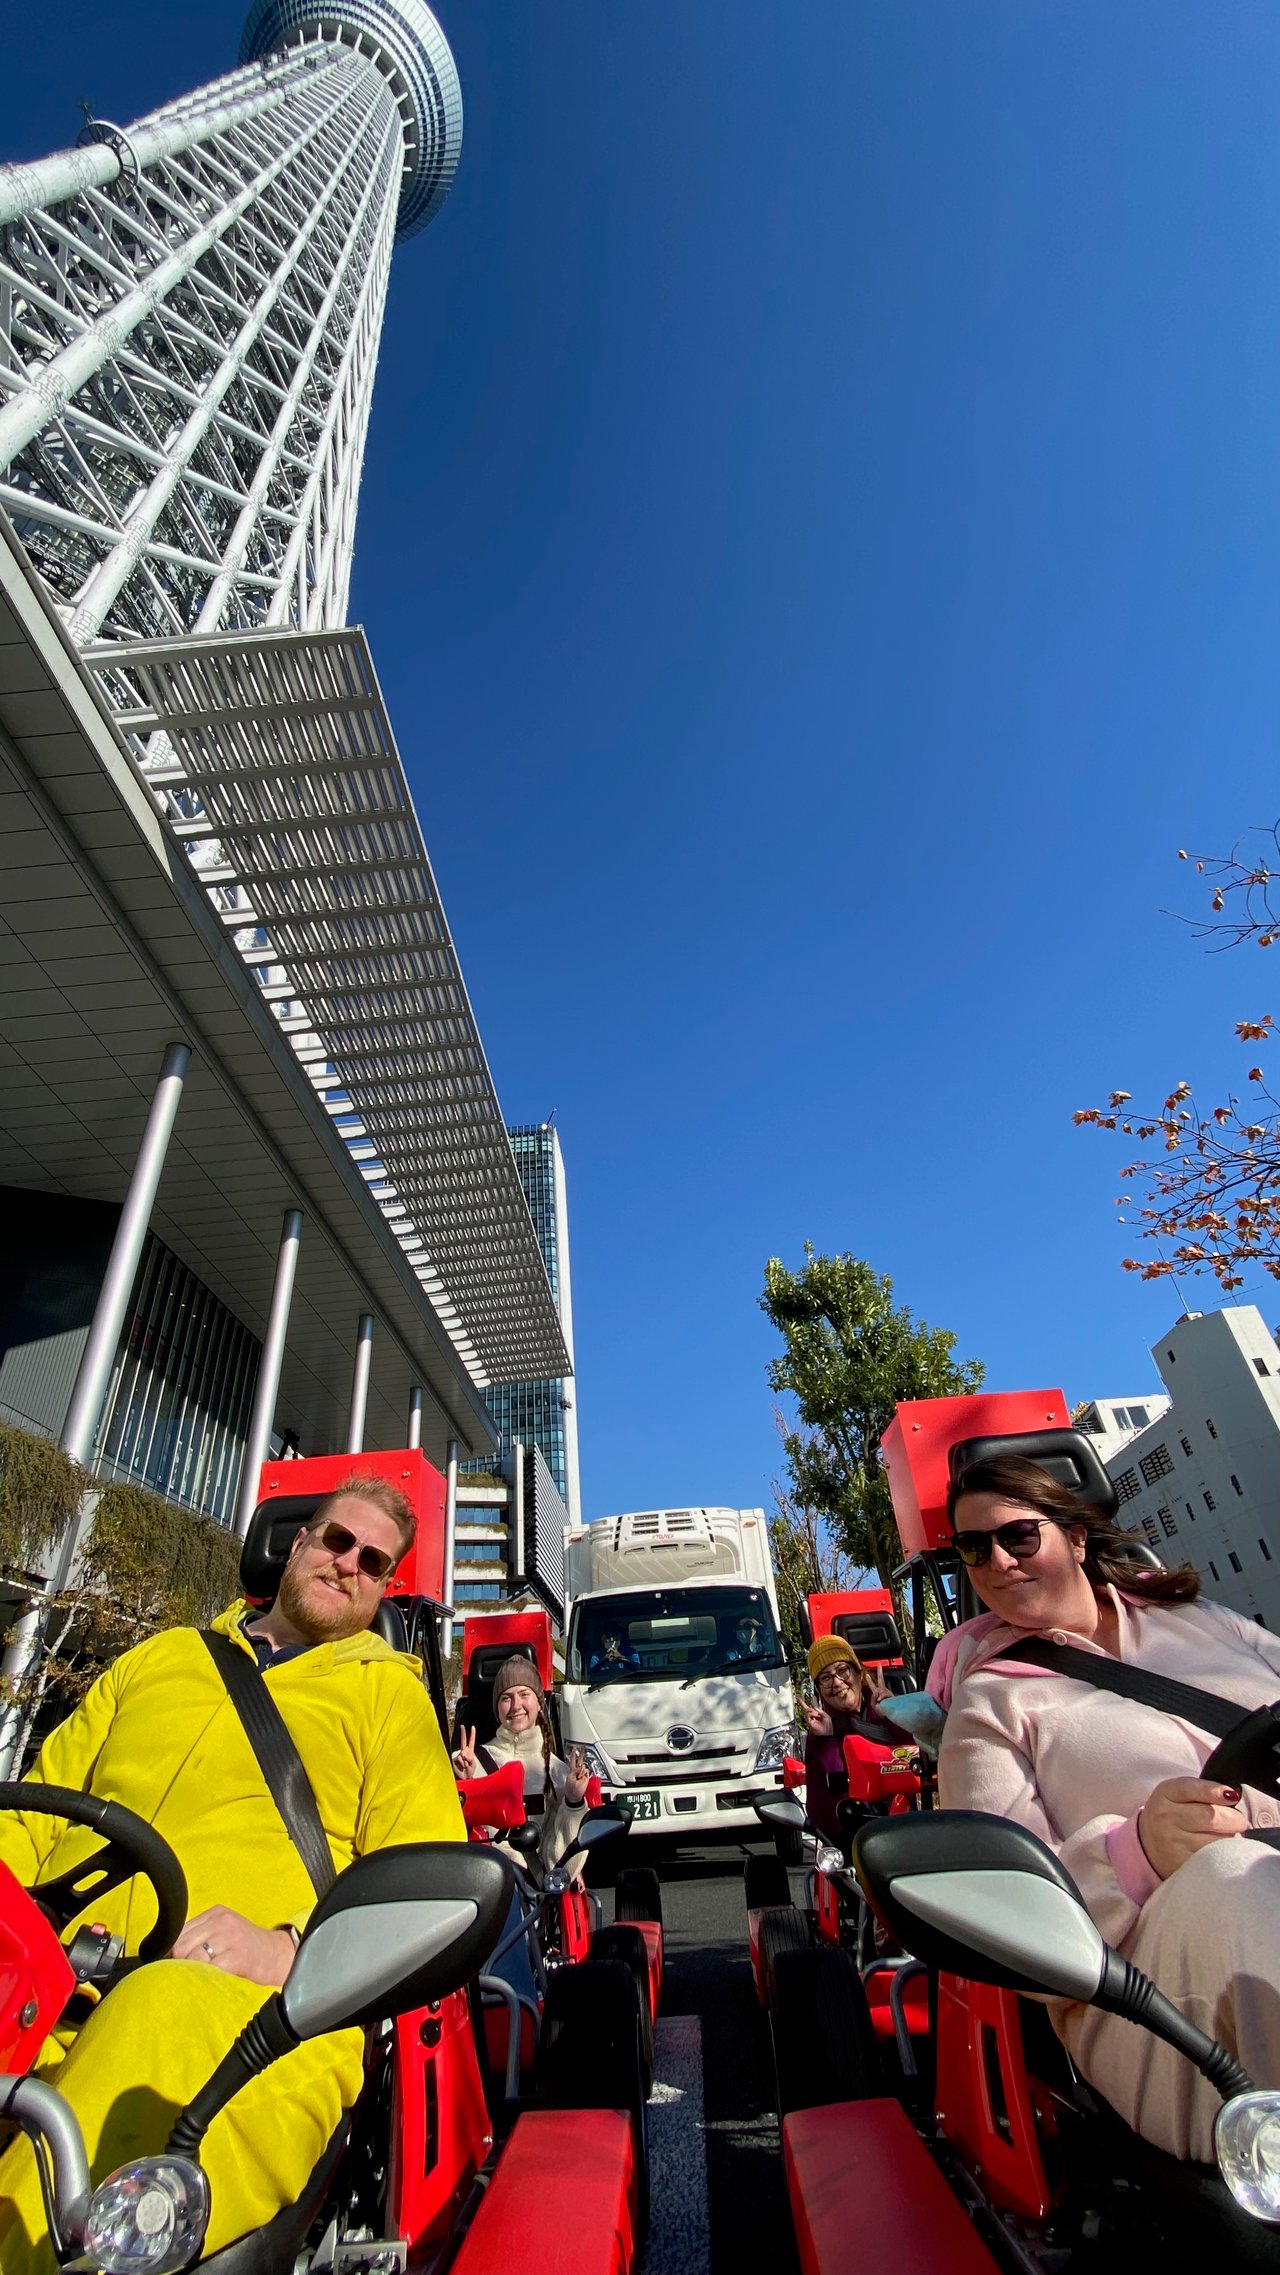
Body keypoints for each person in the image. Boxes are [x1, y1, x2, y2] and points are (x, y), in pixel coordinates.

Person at [0, 1475, 464, 2273]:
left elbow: (422, 1886)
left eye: (375, 1561)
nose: (349, 1562)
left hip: (260, 2019)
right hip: (49, 1981)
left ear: (385, 1586)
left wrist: (291, 1951)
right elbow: (31, 1812)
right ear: (296, 1542)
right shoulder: (159, 1658)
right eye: (336, 1539)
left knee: (158, 2008)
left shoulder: (390, 1697)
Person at [937, 1451, 1280, 2165]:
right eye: (973, 1547)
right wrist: (1138, 1851)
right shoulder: (989, 1704)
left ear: (1077, 1538)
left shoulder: (1206, 1622)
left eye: (1019, 1536)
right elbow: (1006, 1916)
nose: (997, 1561)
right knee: (1231, 1879)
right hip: (1144, 2002)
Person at [453, 1656, 589, 1873]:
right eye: (506, 1698)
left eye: (524, 1695)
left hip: (534, 1896)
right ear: (497, 1708)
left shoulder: (557, 1773)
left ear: (538, 1703)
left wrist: (573, 1802)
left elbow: (559, 1864)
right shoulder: (467, 1762)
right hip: (483, 1885)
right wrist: (466, 1783)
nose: (516, 1706)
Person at [801, 1635, 896, 1845]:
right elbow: (824, 1816)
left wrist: (892, 1715)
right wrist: (827, 1740)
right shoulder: (821, 1735)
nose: (836, 1682)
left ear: (858, 1672)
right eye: (825, 1678)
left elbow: (922, 1754)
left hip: (911, 1821)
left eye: (842, 1670)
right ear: (819, 1690)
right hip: (859, 1836)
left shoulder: (889, 1709)